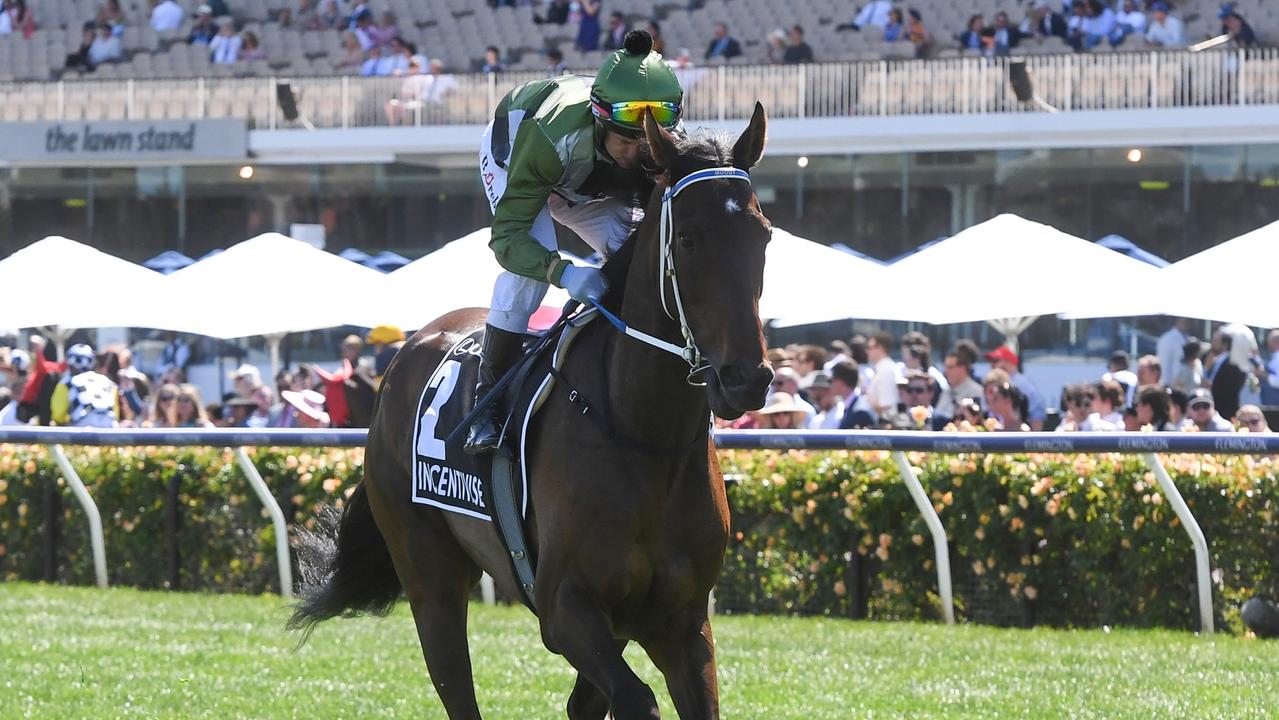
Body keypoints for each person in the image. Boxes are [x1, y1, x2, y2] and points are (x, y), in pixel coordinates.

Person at [465, 30, 683, 454]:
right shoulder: (552, 139)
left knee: (639, 259)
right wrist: (562, 271)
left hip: (585, 182)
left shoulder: (658, 138)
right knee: (528, 277)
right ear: (601, 121)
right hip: (520, 158)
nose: (639, 152)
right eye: (626, 140)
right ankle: (484, 409)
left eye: (648, 141)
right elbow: (507, 238)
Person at [51, 344, 118, 428]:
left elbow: (58, 415)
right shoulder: (109, 383)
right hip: (110, 430)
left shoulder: (66, 383)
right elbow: (116, 414)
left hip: (82, 432)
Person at [985, 346, 1046, 430]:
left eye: (996, 361)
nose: (992, 365)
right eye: (991, 362)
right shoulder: (995, 383)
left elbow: (1037, 415)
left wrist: (1032, 440)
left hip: (1019, 435)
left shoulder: (1022, 384)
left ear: (1008, 361)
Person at [1205, 330, 1246, 421]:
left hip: (1225, 413)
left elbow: (1229, 391)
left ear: (1225, 344)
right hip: (1215, 412)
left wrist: (1212, 386)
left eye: (1216, 341)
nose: (1212, 344)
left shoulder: (1231, 365)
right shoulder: (1214, 362)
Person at [1156, 318, 1191, 388]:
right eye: (1185, 322)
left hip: (1176, 382)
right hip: (1170, 383)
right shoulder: (1170, 339)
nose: (1188, 325)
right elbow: (1167, 362)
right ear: (1177, 322)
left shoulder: (1185, 337)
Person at [1260, 330, 1279, 408]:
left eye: (1269, 342)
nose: (1268, 345)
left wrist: (1262, 374)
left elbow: (1277, 382)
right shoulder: (1274, 357)